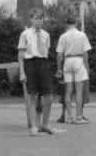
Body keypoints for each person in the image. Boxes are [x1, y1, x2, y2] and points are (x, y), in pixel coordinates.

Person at [18, 8, 64, 136]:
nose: (39, 21)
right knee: (32, 96)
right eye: (36, 19)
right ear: (31, 19)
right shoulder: (25, 34)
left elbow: (46, 52)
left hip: (43, 64)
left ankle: (45, 124)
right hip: (30, 64)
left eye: (41, 19)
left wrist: (45, 66)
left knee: (48, 96)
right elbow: (20, 55)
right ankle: (33, 126)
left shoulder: (46, 35)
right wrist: (22, 72)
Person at [56, 15, 92, 124]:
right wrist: (87, 67)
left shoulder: (63, 36)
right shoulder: (82, 35)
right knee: (79, 91)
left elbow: (59, 55)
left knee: (68, 91)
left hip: (67, 61)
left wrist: (59, 68)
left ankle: (69, 117)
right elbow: (85, 53)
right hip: (78, 60)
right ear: (76, 23)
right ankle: (79, 117)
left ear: (66, 24)